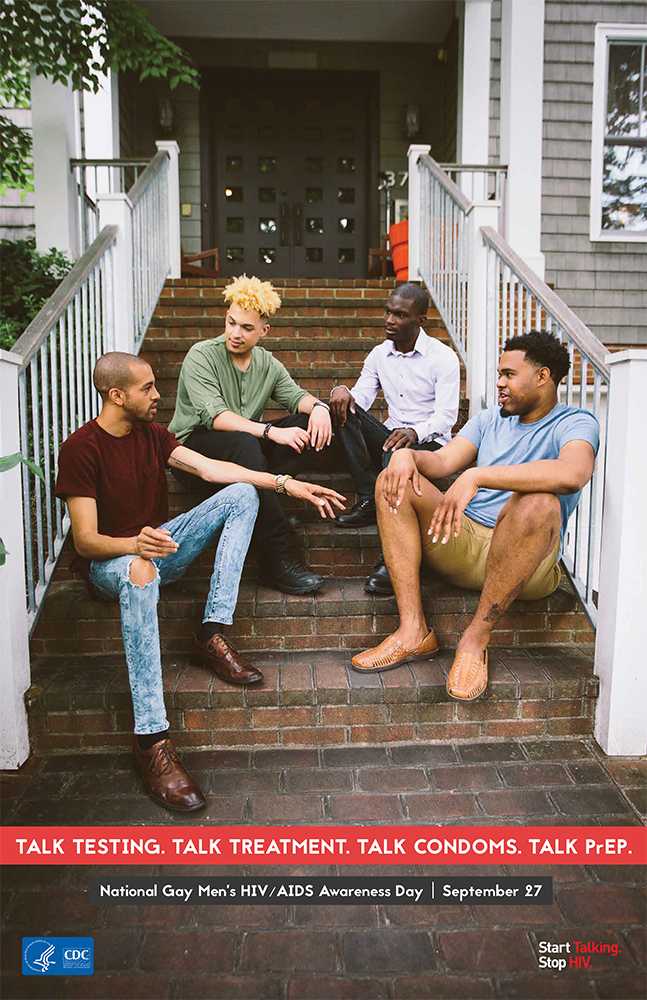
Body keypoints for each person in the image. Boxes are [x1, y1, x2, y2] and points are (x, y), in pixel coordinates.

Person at [55, 352, 344, 813]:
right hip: (114, 565)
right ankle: (151, 740)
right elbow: (86, 542)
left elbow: (212, 469)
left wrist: (285, 484)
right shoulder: (81, 448)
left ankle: (210, 631)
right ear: (117, 395)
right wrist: (133, 545)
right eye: (147, 388)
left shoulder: (153, 435)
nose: (158, 395)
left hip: (161, 549)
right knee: (138, 571)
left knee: (241, 493)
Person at [351, 331, 599, 703]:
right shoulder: (488, 420)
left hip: (527, 561)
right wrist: (407, 456)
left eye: (509, 374)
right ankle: (412, 630)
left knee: (540, 502)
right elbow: (442, 461)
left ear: (543, 376)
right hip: (464, 544)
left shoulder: (576, 422)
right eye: (499, 374)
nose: (499, 382)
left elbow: (572, 473)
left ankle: (474, 640)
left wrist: (478, 475)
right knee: (393, 479)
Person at [169, 275, 336, 595]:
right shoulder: (201, 355)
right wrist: (271, 431)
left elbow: (294, 396)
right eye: (231, 322)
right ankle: (277, 557)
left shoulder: (266, 363)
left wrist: (319, 408)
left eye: (247, 328)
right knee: (247, 442)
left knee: (309, 424)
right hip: (194, 452)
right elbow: (217, 418)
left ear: (264, 331)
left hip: (246, 452)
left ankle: (371, 489)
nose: (235, 333)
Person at [329, 282, 459, 595]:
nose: (389, 320)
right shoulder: (379, 354)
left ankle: (391, 560)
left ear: (420, 320)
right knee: (343, 410)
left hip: (428, 442)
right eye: (388, 312)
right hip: (391, 434)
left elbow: (446, 417)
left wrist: (415, 432)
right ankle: (367, 497)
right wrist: (342, 391)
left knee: (396, 455)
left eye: (400, 315)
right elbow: (361, 397)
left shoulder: (443, 357)